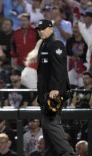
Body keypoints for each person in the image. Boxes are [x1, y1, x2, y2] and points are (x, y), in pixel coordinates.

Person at [35, 19, 76, 156]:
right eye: (39, 29)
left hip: (53, 93)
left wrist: (55, 89)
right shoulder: (44, 44)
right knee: (47, 131)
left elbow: (59, 69)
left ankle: (68, 153)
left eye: (43, 28)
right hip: (45, 93)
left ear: (51, 29)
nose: (41, 31)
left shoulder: (56, 43)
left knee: (50, 124)